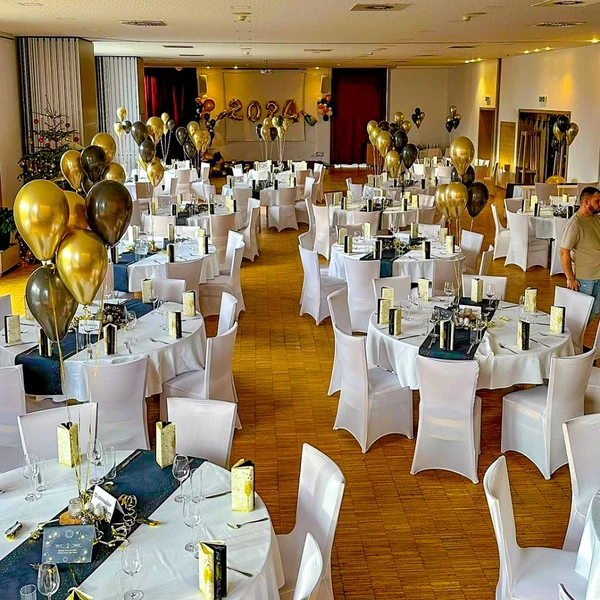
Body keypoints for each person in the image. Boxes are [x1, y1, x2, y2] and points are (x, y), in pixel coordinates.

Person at [560, 186, 600, 318]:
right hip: (584, 278)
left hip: (598, 275)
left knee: (594, 311)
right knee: (579, 315)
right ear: (586, 202)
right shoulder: (575, 224)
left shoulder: (596, 219)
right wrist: (570, 278)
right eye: (597, 201)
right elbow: (564, 252)